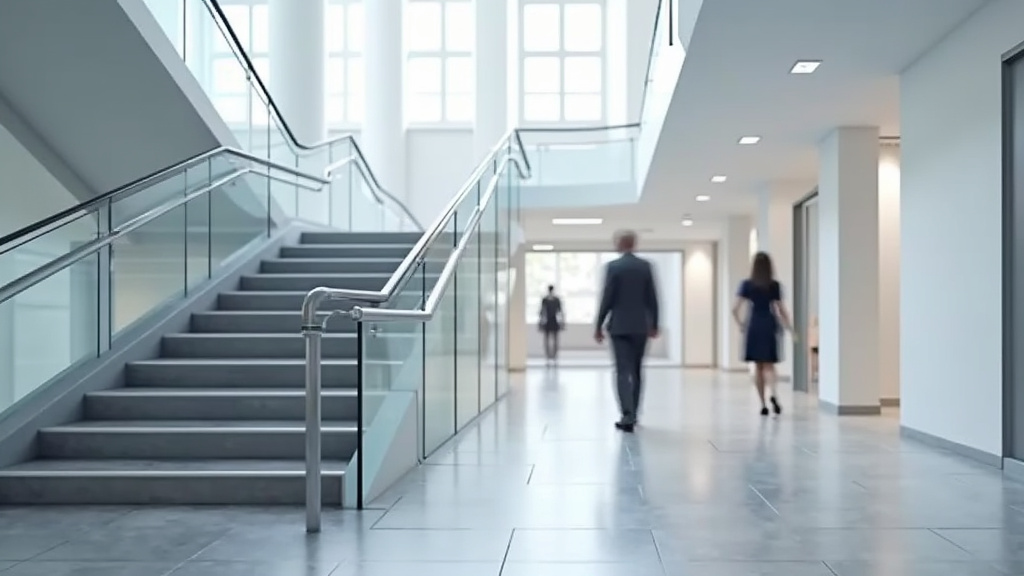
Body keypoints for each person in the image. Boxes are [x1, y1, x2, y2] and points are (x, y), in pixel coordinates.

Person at [594, 230, 660, 433]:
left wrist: (598, 324)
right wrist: (655, 324)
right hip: (640, 326)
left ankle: (627, 414)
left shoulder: (614, 267)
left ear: (620, 244)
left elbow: (607, 298)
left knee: (622, 370)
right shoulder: (645, 267)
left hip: (619, 327)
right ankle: (635, 412)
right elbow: (652, 298)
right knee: (637, 370)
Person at [731, 252, 796, 416]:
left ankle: (763, 404)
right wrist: (791, 329)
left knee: (758, 367)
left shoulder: (746, 284)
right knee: (769, 364)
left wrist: (741, 325)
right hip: (769, 323)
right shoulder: (774, 285)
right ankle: (773, 393)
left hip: (753, 324)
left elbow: (734, 309)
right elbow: (782, 310)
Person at [538, 285, 563, 363]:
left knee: (553, 338)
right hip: (548, 320)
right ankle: (549, 354)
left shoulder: (555, 300)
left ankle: (553, 354)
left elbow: (560, 311)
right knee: (548, 338)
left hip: (553, 320)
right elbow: (542, 311)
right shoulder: (546, 299)